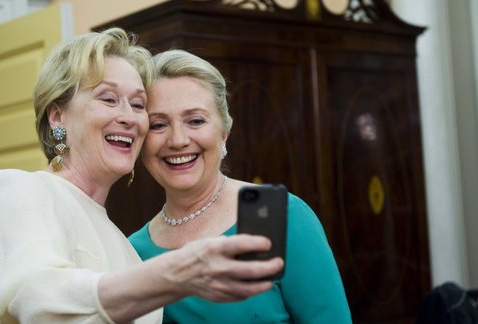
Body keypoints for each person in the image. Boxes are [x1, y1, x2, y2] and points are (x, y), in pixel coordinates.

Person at [0, 28, 284, 324]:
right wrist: (180, 272)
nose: (129, 117)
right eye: (108, 98)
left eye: (137, 104)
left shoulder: (124, 245)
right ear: (58, 116)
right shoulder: (21, 190)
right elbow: (37, 297)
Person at [129, 49, 352, 323]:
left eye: (195, 121)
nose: (177, 140)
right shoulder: (133, 250)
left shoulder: (275, 214)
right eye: (158, 124)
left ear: (224, 132)